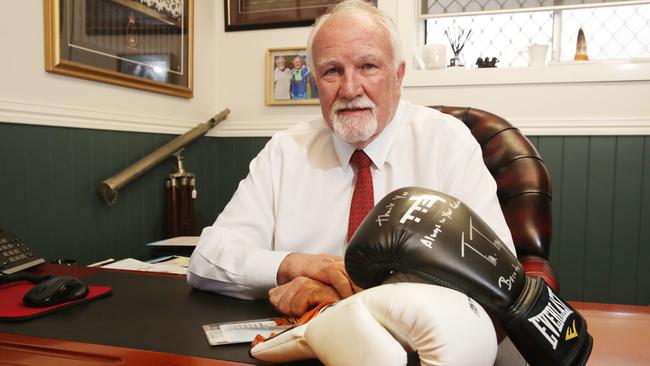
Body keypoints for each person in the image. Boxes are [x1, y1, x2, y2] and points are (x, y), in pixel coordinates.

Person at [187, 0, 514, 318]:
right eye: (332, 71)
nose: (349, 88)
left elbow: (495, 276)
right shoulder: (285, 151)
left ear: (398, 75)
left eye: (368, 66)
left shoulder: (446, 144)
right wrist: (295, 265)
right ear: (315, 84)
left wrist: (343, 295)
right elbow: (206, 260)